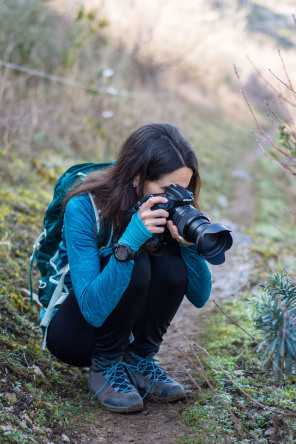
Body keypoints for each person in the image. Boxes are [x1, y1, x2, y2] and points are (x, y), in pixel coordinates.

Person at [45, 122, 212, 413]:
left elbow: (199, 297)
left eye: (183, 188)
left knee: (172, 261)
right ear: (137, 176)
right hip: (77, 331)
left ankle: (139, 360)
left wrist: (189, 247)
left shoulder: (171, 208)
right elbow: (92, 309)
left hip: (123, 324)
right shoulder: (84, 206)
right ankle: (106, 367)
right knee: (135, 259)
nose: (177, 196)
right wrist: (130, 240)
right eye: (167, 188)